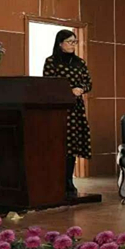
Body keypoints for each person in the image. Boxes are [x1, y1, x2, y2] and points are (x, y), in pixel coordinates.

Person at [43, 30, 92, 198]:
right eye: (69, 42)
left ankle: (69, 180)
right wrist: (68, 90)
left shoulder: (80, 62)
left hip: (75, 109)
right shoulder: (51, 62)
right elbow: (48, 84)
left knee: (73, 145)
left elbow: (88, 83)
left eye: (74, 42)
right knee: (59, 144)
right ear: (60, 43)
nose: (73, 45)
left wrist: (81, 89)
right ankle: (56, 180)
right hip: (58, 109)